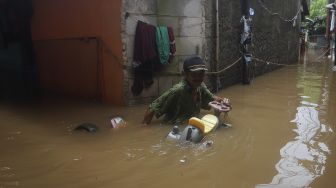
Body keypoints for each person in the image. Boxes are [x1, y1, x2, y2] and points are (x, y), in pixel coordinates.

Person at [142, 56, 231, 125]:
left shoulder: (201, 86)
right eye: (194, 74)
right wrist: (144, 128)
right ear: (185, 74)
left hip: (191, 126)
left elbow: (212, 98)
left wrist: (224, 101)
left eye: (201, 74)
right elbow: (152, 108)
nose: (198, 78)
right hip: (174, 128)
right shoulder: (178, 90)